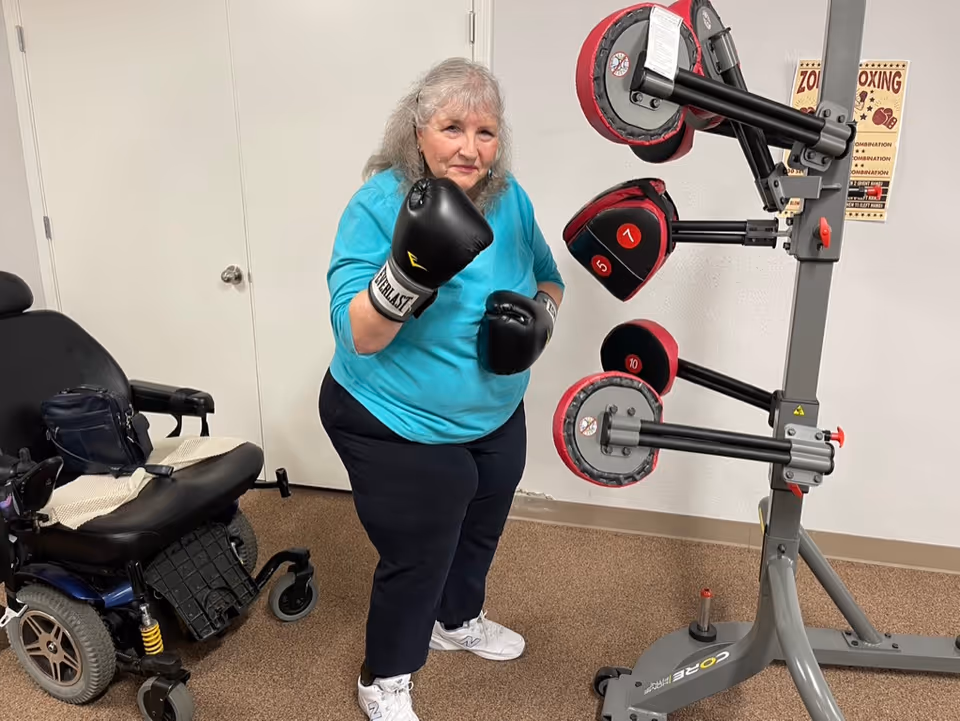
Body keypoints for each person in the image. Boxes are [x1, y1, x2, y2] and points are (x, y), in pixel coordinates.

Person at [318, 56, 565, 721]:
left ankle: (457, 619)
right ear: (417, 130)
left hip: (493, 411)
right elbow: (358, 335)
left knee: (481, 524)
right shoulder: (378, 206)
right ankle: (384, 675)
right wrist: (408, 269)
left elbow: (550, 277)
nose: (469, 147)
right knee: (420, 550)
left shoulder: (510, 196)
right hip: (392, 415)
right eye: (452, 126)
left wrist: (539, 318)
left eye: (485, 131)